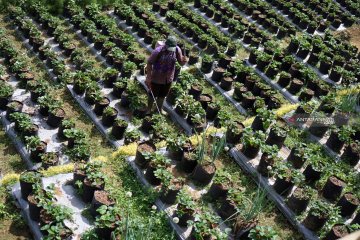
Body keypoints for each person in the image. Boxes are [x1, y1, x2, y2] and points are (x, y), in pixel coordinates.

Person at [145, 35, 188, 114]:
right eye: (170, 48)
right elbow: (149, 62)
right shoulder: (158, 51)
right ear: (166, 45)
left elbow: (181, 62)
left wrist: (184, 61)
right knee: (152, 94)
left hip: (168, 78)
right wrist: (148, 77)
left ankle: (158, 109)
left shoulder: (177, 49)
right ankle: (149, 109)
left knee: (162, 95)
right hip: (156, 77)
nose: (171, 50)